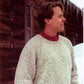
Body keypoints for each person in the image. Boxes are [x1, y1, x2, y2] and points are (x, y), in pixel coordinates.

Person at [14, 1, 78, 84]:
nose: (64, 19)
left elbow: (73, 75)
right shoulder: (33, 45)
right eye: (60, 16)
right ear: (47, 20)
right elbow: (22, 79)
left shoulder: (67, 44)